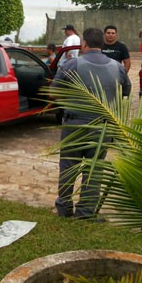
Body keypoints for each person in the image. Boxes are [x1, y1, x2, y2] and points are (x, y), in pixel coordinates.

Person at [52, 28, 131, 220]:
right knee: (94, 170)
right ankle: (85, 212)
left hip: (74, 124)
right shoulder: (117, 67)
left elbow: (53, 94)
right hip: (101, 127)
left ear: (84, 44)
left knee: (68, 166)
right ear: (102, 44)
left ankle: (64, 208)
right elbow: (125, 91)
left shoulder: (72, 64)